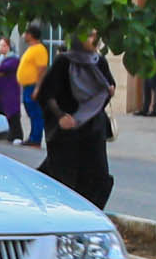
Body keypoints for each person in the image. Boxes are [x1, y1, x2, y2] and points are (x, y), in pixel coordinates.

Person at [38, 29, 116, 207]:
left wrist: (109, 92)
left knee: (98, 177)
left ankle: (90, 215)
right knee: (64, 179)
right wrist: (60, 116)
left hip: (93, 128)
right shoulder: (64, 62)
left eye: (96, 35)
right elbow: (47, 94)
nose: (94, 39)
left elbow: (106, 89)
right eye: (89, 35)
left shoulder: (99, 61)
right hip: (67, 131)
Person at [0, 35, 24, 143]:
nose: (1, 48)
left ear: (9, 47)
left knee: (12, 115)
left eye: (4, 45)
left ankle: (16, 136)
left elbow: (3, 68)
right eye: (0, 45)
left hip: (9, 93)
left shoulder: (14, 59)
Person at [17, 27, 52, 147]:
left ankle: (36, 138)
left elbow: (42, 69)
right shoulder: (31, 49)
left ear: (31, 35)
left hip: (33, 85)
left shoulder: (39, 49)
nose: (24, 35)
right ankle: (32, 136)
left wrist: (38, 88)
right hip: (27, 86)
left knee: (36, 112)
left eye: (26, 33)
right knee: (31, 112)